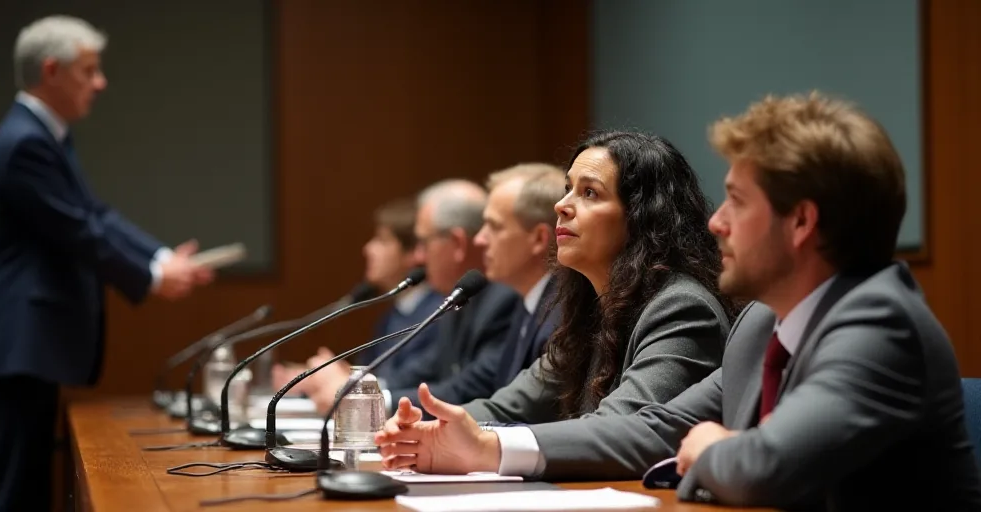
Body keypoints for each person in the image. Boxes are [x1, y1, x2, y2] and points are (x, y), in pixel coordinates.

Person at [374, 93, 981, 510]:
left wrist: (715, 448)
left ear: (801, 222)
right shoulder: (763, 323)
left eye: (737, 201)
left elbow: (764, 466)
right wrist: (485, 446)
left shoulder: (879, 323)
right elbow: (655, 428)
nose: (716, 222)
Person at [0, 16, 214, 511]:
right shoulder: (25, 143)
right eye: (89, 71)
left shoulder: (45, 135)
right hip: (16, 346)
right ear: (51, 70)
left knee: (29, 494)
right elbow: (79, 232)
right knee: (14, 499)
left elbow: (95, 214)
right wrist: (153, 277)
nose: (100, 83)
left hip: (25, 349)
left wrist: (160, 257)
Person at [376, 130, 735, 440]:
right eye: (567, 189)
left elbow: (619, 428)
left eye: (589, 193)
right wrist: (425, 427)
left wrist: (488, 445)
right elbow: (507, 405)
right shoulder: (589, 310)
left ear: (642, 217)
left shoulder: (682, 308)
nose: (562, 205)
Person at [295, 179, 519, 413]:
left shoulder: (501, 302)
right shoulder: (457, 300)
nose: (419, 257)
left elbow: (469, 389)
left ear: (458, 244)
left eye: (423, 242)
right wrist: (356, 385)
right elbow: (427, 372)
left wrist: (363, 397)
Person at [273, 198, 443, 390]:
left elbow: (410, 383)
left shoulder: (438, 313)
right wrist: (317, 376)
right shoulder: (391, 316)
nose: (368, 249)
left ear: (414, 252)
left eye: (382, 240)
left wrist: (342, 380)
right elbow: (372, 373)